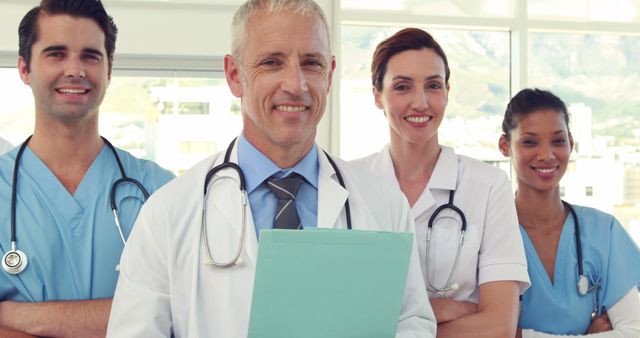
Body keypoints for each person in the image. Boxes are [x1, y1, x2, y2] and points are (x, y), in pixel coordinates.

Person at [106, 1, 436, 337]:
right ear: (235, 76)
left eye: (311, 63)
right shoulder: (167, 213)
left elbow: (412, 324)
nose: (296, 84)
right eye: (272, 63)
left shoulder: (384, 205)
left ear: (330, 75)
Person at [0, 1, 174, 337]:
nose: (75, 70)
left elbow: (177, 311)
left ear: (109, 71)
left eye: (91, 56)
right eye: (56, 54)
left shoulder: (160, 190)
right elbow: (144, 320)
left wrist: (15, 315)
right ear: (24, 68)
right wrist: (122, 315)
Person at [351, 28, 530, 337]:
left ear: (447, 91)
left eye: (433, 86)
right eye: (403, 87)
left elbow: (500, 326)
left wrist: (399, 324)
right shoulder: (348, 183)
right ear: (377, 95)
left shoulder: (488, 186)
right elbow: (339, 315)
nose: (420, 103)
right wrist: (448, 310)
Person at [498, 88, 640, 337]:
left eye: (558, 141)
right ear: (505, 146)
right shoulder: (490, 233)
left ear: (571, 144)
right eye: (530, 141)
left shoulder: (603, 231)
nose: (546, 155)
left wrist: (521, 334)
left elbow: (634, 330)